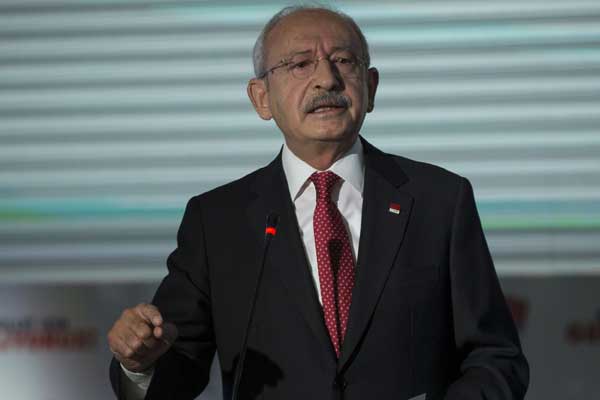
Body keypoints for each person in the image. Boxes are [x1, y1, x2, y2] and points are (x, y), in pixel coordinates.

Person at [107, 5, 529, 400]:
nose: (327, 79)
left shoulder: (440, 200)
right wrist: (139, 364)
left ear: (371, 87)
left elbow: (495, 357)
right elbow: (178, 366)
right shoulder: (218, 220)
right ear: (261, 98)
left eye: (343, 60)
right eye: (300, 64)